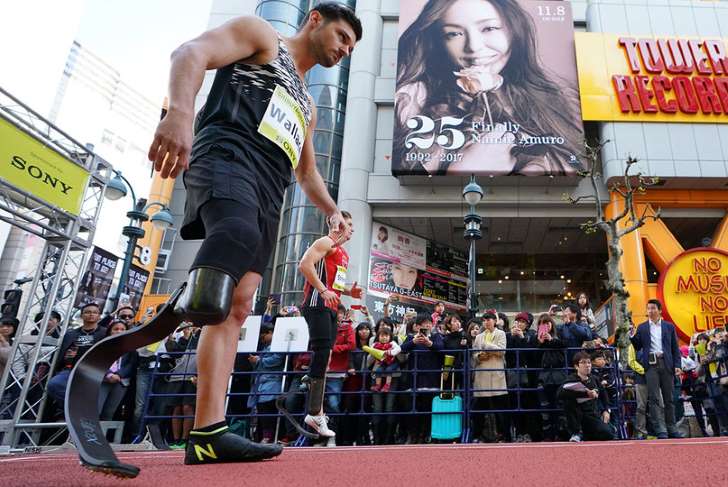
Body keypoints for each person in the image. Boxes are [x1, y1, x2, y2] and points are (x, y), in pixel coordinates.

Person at [147, 2, 362, 464]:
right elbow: (189, 53)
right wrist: (179, 113)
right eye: (343, 37)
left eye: (351, 48)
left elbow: (306, 173)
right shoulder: (262, 37)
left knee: (240, 304)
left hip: (269, 191)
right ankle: (187, 301)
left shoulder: (307, 106)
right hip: (226, 157)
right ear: (315, 20)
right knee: (235, 233)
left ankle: (207, 434)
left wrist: (332, 211)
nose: (345, 50)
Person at [393, 0, 583, 176]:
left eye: (489, 28)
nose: (473, 47)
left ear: (515, 30)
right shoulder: (413, 100)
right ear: (438, 41)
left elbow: (577, 167)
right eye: (454, 34)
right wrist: (462, 171)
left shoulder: (557, 99)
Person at [299, 211, 361, 439]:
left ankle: (315, 407)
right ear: (338, 224)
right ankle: (314, 409)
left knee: (326, 356)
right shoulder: (325, 242)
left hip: (332, 307)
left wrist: (349, 292)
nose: (352, 229)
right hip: (317, 302)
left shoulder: (343, 253)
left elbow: (336, 282)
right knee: (323, 351)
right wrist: (323, 290)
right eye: (348, 224)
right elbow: (305, 265)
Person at [630, 299, 685, 439]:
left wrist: (678, 365)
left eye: (653, 308)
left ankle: (672, 427)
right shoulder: (642, 327)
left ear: (659, 310)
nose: (650, 311)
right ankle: (660, 429)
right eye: (648, 308)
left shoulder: (669, 326)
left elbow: (675, 348)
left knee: (669, 398)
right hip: (650, 365)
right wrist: (631, 335)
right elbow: (637, 346)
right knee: (654, 399)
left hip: (667, 363)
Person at [47, 303, 107, 412]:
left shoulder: (105, 333)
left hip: (94, 371)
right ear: (82, 315)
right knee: (53, 385)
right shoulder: (71, 334)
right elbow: (61, 354)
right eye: (87, 312)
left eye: (95, 312)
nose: (91, 314)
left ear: (99, 316)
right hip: (71, 370)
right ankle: (75, 408)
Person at [558, 351, 614, 442]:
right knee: (568, 400)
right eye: (583, 362)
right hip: (577, 416)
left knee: (608, 433)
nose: (587, 365)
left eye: (589, 362)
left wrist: (606, 410)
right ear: (576, 366)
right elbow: (559, 394)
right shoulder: (571, 379)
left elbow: (604, 395)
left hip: (592, 415)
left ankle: (587, 435)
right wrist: (586, 394)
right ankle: (576, 432)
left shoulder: (594, 379)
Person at [471, 310, 508, 442]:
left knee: (501, 410)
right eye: (484, 320)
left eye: (489, 319)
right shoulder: (479, 337)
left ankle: (504, 435)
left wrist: (486, 346)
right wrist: (479, 356)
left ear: (495, 321)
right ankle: (477, 436)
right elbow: (474, 354)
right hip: (482, 375)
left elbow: (502, 351)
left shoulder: (501, 334)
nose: (486, 322)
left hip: (496, 375)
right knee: (479, 410)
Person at [247, 323, 283, 444]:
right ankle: (262, 435)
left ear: (270, 332)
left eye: (263, 337)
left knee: (267, 407)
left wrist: (258, 360)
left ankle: (268, 436)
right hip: (262, 383)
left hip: (272, 382)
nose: (262, 340)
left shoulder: (278, 345)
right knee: (261, 409)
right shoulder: (266, 347)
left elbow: (277, 360)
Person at [98, 320, 138, 422]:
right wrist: (109, 375)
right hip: (103, 380)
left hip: (120, 382)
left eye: (122, 329)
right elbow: (97, 361)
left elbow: (132, 363)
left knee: (109, 413)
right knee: (96, 410)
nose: (119, 331)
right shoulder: (102, 345)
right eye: (116, 329)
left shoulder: (130, 346)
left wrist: (119, 375)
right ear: (110, 331)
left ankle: (104, 432)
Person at [370, 327, 401, 393]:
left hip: (393, 362)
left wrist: (390, 352)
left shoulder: (392, 343)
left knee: (389, 369)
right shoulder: (376, 344)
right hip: (383, 362)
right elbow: (371, 349)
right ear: (378, 337)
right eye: (382, 336)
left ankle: (387, 385)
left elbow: (398, 349)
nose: (384, 338)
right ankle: (378, 385)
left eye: (386, 336)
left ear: (390, 337)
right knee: (378, 370)